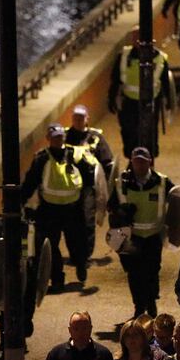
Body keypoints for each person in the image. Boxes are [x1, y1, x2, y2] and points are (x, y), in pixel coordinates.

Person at [20, 123, 94, 293]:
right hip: (49, 210)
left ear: (64, 137)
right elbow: (31, 181)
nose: (57, 140)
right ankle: (57, 280)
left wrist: (92, 198)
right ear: (48, 139)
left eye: (60, 137)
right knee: (50, 246)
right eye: (54, 137)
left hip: (73, 208)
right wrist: (20, 200)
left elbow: (90, 177)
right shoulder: (42, 159)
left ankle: (80, 263)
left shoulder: (75, 155)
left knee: (78, 242)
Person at [108, 147, 176, 319]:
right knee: (134, 272)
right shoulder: (121, 182)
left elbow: (178, 201)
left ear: (149, 162)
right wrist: (120, 213)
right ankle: (139, 306)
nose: (139, 164)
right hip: (130, 237)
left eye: (143, 161)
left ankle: (151, 302)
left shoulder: (162, 181)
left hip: (153, 235)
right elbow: (110, 206)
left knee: (152, 270)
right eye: (136, 160)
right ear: (131, 161)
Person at [108, 27, 171, 157]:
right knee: (129, 133)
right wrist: (111, 98)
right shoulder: (124, 56)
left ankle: (148, 162)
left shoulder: (160, 59)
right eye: (134, 37)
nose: (136, 40)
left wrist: (169, 101)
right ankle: (133, 162)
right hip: (129, 102)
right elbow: (115, 79)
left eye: (139, 37)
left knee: (149, 134)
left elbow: (165, 82)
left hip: (150, 102)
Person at [66, 104, 115, 259]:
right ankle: (75, 253)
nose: (78, 120)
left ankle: (86, 254)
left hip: (89, 187)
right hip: (68, 187)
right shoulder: (65, 136)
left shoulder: (95, 137)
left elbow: (107, 163)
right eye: (76, 117)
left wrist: (107, 188)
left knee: (87, 219)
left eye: (81, 117)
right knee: (71, 222)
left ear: (87, 119)